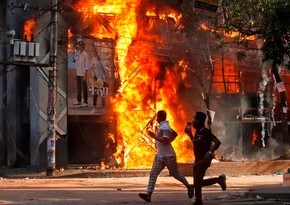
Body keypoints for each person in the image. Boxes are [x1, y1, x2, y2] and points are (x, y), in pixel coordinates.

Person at [139, 110, 194, 203]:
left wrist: (154, 137)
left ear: (160, 117)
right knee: (153, 173)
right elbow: (175, 134)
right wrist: (168, 141)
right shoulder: (164, 126)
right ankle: (148, 195)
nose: (156, 118)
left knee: (175, 174)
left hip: (169, 156)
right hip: (160, 156)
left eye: (157, 117)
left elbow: (165, 140)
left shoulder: (165, 127)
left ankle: (189, 186)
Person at [185, 111, 226, 205]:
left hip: (204, 160)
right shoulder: (197, 132)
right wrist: (190, 135)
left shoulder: (205, 132)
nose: (192, 120)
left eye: (194, 119)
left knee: (197, 182)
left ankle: (198, 201)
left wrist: (210, 152)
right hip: (197, 159)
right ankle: (218, 180)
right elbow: (196, 143)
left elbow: (217, 142)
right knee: (198, 182)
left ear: (199, 121)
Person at [73, 40, 89, 108]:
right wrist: (76, 74)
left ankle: (85, 102)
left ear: (83, 47)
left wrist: (85, 75)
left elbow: (87, 66)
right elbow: (76, 64)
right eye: (79, 46)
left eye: (81, 46)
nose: (80, 47)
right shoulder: (77, 53)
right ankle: (78, 101)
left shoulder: (86, 55)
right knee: (78, 88)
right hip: (78, 73)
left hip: (83, 74)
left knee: (84, 88)